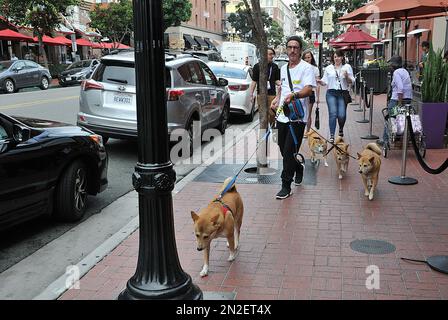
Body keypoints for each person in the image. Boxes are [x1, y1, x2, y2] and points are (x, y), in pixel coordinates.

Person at [270, 36, 316, 199]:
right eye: (290, 47)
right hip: (282, 115)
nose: (292, 50)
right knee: (284, 150)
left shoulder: (306, 68)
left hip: (297, 117)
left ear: (300, 50)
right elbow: (282, 89)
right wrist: (276, 100)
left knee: (289, 150)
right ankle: (298, 167)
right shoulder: (283, 69)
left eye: (296, 47)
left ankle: (285, 185)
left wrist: (294, 95)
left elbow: (308, 90)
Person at [318, 49, 355, 143]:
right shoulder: (329, 68)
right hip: (331, 93)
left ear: (342, 57)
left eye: (338, 56)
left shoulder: (347, 67)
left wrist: (347, 76)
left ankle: (341, 129)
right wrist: (320, 82)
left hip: (342, 93)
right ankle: (331, 135)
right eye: (335, 57)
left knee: (342, 115)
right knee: (333, 114)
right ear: (333, 58)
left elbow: (352, 81)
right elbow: (325, 81)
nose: (337, 58)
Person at [377, 55, 413, 146]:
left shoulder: (396, 72)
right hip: (408, 99)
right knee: (401, 118)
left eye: (391, 64)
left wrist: (399, 103)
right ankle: (399, 138)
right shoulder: (405, 71)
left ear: (394, 64)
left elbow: (400, 88)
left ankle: (385, 140)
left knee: (389, 118)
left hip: (397, 100)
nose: (390, 66)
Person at [249, 47, 280, 127]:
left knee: (273, 115)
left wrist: (281, 84)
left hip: (272, 95)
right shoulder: (257, 66)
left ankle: (274, 137)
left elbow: (277, 80)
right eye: (269, 54)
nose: (271, 56)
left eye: (272, 54)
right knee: (263, 118)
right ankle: (263, 138)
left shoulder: (275, 67)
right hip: (261, 95)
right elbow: (254, 81)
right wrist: (251, 94)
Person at [302, 50, 320, 134]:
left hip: (310, 93)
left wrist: (318, 97)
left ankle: (307, 131)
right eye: (305, 57)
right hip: (301, 93)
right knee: (301, 112)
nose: (307, 59)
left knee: (308, 113)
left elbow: (317, 84)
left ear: (311, 58)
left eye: (308, 57)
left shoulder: (315, 69)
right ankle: (301, 130)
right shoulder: (300, 67)